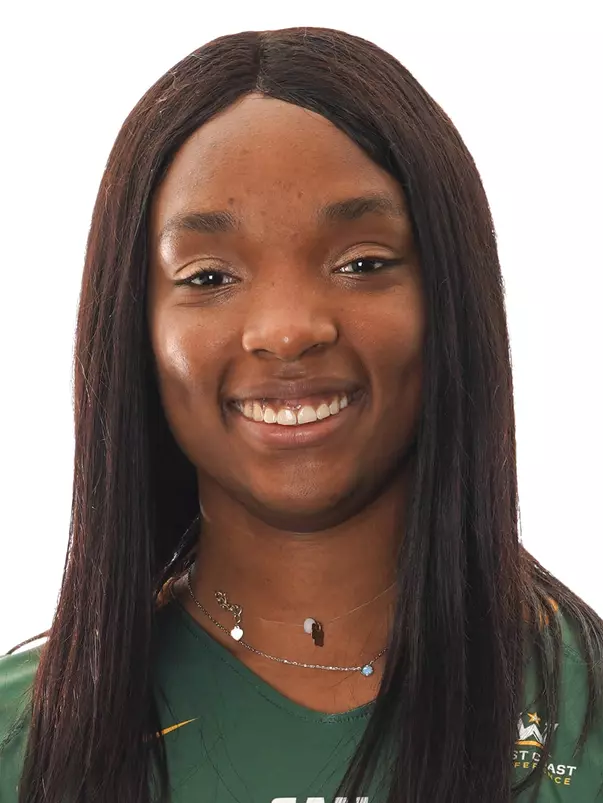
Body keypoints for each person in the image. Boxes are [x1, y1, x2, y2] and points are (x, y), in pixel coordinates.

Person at [1, 25, 602, 803]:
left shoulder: (584, 725)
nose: (286, 328)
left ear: (453, 298)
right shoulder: (26, 738)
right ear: (134, 330)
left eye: (362, 263)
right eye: (209, 275)